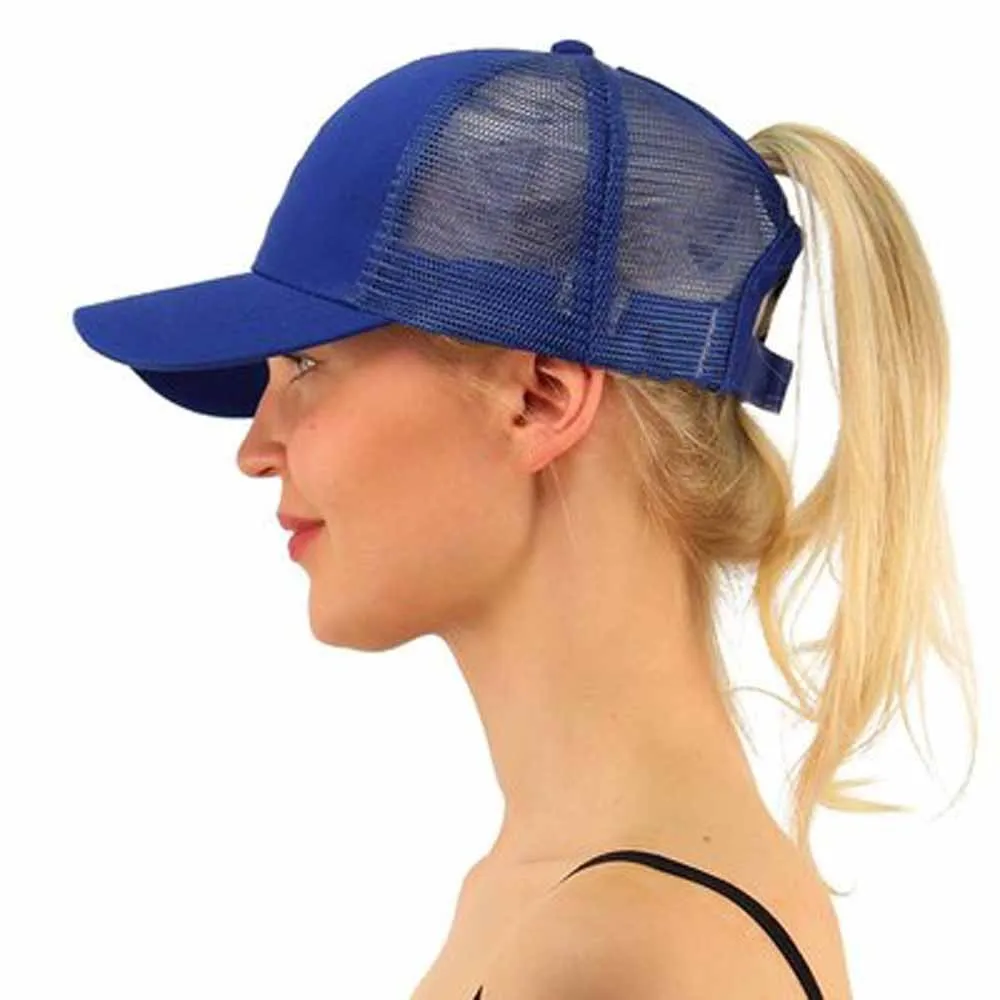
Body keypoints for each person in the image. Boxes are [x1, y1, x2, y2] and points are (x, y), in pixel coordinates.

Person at [72, 39, 979, 1000]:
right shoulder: (545, 897)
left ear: (540, 399)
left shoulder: (627, 943)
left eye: (305, 365)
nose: (256, 449)